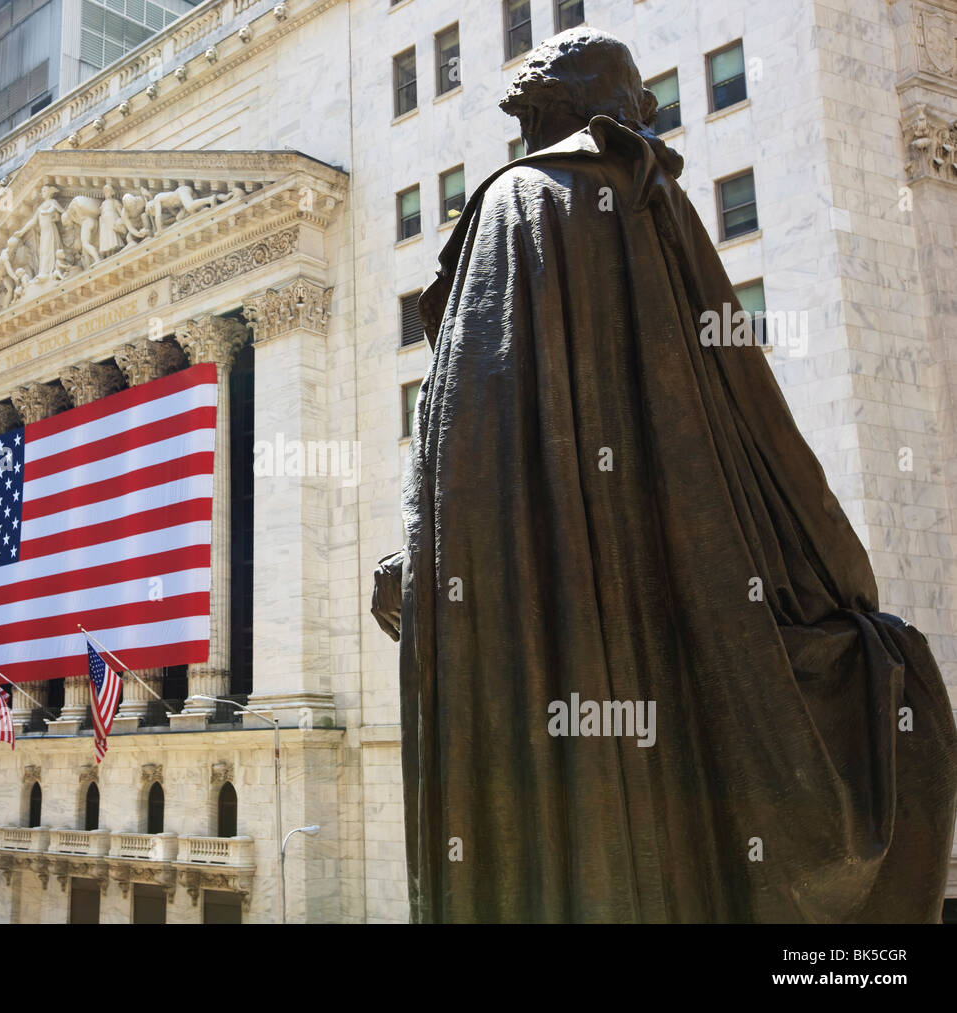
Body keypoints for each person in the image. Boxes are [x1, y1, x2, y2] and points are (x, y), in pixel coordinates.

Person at [376, 26, 957, 923]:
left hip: (548, 643)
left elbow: (470, 440)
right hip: (665, 610)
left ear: (545, 111)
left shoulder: (517, 206)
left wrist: (430, 570)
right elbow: (755, 418)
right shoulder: (655, 203)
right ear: (610, 107)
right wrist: (835, 582)